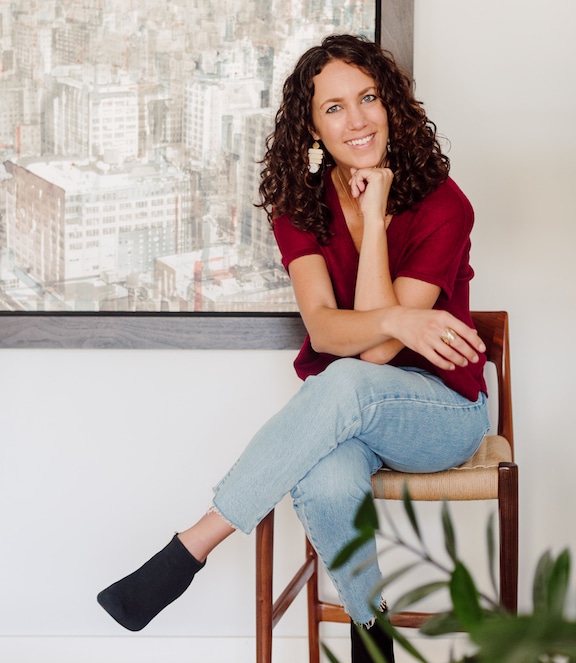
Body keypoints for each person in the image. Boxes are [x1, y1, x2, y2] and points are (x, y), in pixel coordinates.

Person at [97, 34, 490, 663]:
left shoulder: (445, 205)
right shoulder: (300, 204)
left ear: (392, 105)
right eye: (334, 107)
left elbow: (375, 358)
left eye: (367, 98)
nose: (357, 119)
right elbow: (329, 332)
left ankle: (190, 548)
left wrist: (381, 206)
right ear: (311, 127)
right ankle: (373, 636)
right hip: (349, 411)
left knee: (342, 383)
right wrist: (398, 318)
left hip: (442, 415)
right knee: (326, 479)